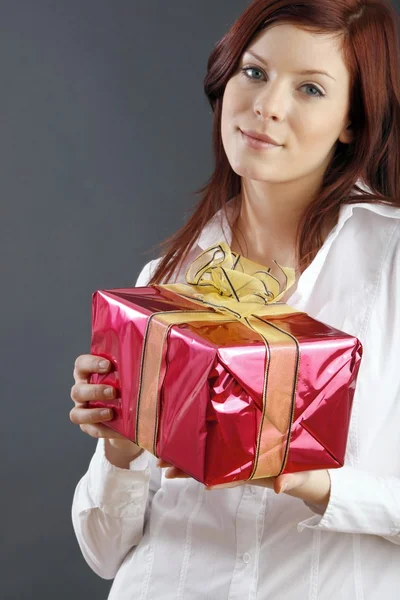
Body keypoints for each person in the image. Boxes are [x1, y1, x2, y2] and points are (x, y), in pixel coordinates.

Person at [70, 1, 400, 598]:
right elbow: (103, 551)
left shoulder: (391, 263)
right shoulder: (166, 282)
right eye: (254, 72)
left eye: (310, 88)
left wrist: (315, 481)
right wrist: (121, 449)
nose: (268, 105)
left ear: (353, 118)